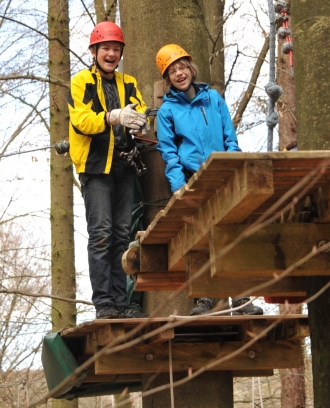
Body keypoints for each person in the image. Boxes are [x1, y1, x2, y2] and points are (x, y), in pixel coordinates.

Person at [155, 43, 263, 316]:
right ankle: (203, 301)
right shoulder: (167, 111)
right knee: (199, 236)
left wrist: (233, 164)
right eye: (172, 71)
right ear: (167, 79)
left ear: (190, 68)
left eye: (182, 67)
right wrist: (179, 186)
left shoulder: (213, 98)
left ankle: (241, 299)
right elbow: (168, 152)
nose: (179, 74)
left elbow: (229, 135)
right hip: (193, 178)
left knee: (229, 232)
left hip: (222, 172)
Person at [68, 21, 150, 319]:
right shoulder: (81, 82)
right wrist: (114, 116)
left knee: (120, 234)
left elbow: (139, 109)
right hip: (95, 168)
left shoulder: (128, 83)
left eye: (116, 49)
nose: (111, 54)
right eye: (106, 48)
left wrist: (141, 122)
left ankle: (122, 302)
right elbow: (82, 120)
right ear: (94, 51)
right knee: (101, 234)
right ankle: (104, 303)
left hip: (124, 165)